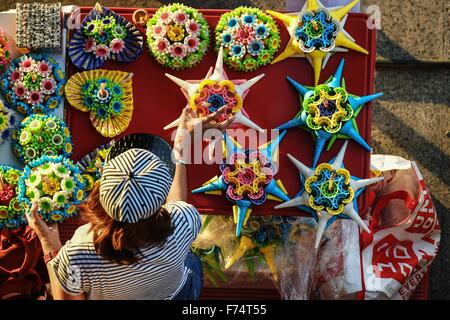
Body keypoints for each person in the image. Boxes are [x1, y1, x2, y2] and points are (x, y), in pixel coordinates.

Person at [26, 107, 234, 300]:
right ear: (160, 199)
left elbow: (67, 297)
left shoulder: (79, 250)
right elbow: (177, 202)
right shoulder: (184, 222)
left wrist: (49, 244)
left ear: (100, 190)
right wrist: (182, 143)